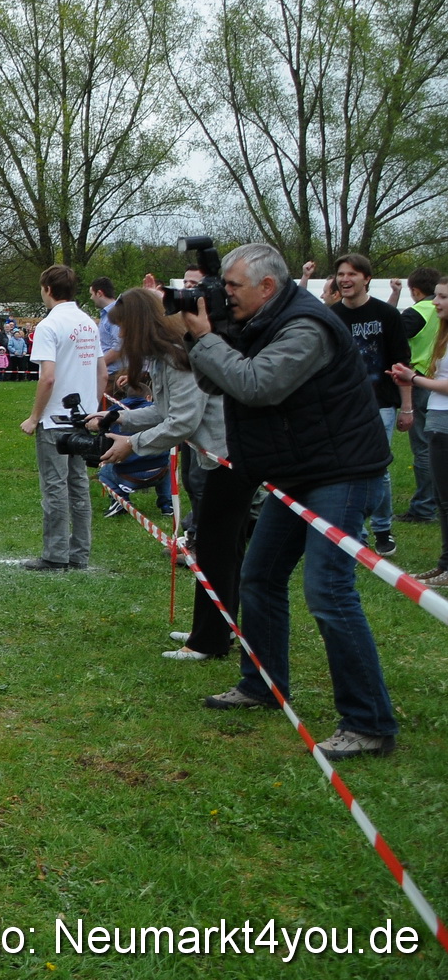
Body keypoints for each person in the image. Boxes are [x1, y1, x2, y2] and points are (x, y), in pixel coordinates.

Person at [186, 242, 398, 760]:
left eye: (232, 287)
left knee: (328, 589)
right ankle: (261, 685)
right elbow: (216, 381)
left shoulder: (307, 327)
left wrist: (209, 338)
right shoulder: (257, 321)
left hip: (342, 470)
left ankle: (369, 722)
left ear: (268, 287)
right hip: (298, 470)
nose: (224, 295)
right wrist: (211, 336)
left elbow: (257, 385)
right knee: (259, 576)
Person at [92, 291, 246, 660]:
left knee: (216, 554)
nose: (122, 340)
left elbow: (183, 421)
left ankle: (209, 641)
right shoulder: (165, 358)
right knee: (211, 552)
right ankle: (209, 630)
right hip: (212, 464)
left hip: (227, 464)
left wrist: (132, 445)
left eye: (124, 330)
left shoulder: (179, 357)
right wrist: (119, 418)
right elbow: (163, 410)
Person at [322, 254, 412, 556]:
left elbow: (402, 364)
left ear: (367, 278)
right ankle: (356, 533)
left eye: (352, 274)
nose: (345, 279)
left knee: (377, 470)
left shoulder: (386, 314)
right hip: (342, 406)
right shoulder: (331, 316)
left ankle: (383, 528)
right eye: (341, 274)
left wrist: (407, 407)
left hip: (380, 403)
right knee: (348, 469)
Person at [19, 266, 106, 571]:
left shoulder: (49, 325)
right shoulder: (88, 323)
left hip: (55, 421)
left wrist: (33, 417)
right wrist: (94, 410)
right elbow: (102, 372)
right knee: (79, 487)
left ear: (48, 289)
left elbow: (48, 379)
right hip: (82, 418)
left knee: (55, 487)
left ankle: (55, 554)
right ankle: (79, 553)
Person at [392, 268, 441, 524]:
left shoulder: (418, 311)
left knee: (424, 448)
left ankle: (424, 507)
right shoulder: (440, 309)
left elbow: (390, 332)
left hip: (421, 381)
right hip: (438, 380)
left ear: (415, 291)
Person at [90, 278, 121, 379]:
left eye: (92, 294)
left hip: (113, 374)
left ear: (99, 293)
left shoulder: (115, 313)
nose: (91, 298)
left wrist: (97, 365)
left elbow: (119, 347)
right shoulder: (106, 315)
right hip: (109, 372)